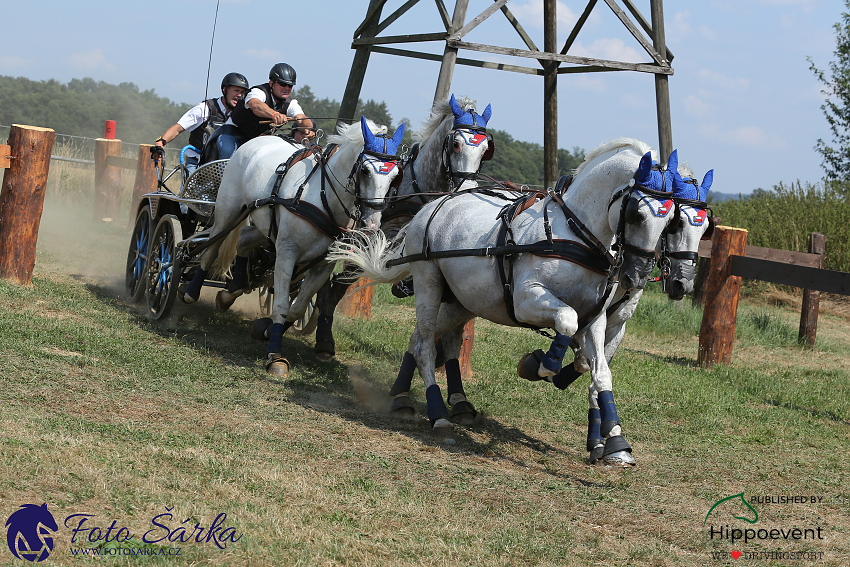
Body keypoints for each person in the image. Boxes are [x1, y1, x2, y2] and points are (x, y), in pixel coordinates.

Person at [150, 72, 249, 176]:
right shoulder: (205, 108)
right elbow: (178, 128)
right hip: (197, 163)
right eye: (236, 91)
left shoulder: (240, 115)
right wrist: (160, 142)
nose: (239, 95)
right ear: (225, 90)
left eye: (242, 92)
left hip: (225, 167)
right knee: (189, 192)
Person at [215, 63, 314, 159]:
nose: (286, 88)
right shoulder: (258, 92)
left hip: (257, 142)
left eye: (290, 86)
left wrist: (307, 129)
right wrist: (274, 114)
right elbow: (255, 105)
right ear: (272, 83)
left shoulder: (291, 103)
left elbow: (302, 118)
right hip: (232, 135)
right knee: (227, 152)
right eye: (282, 84)